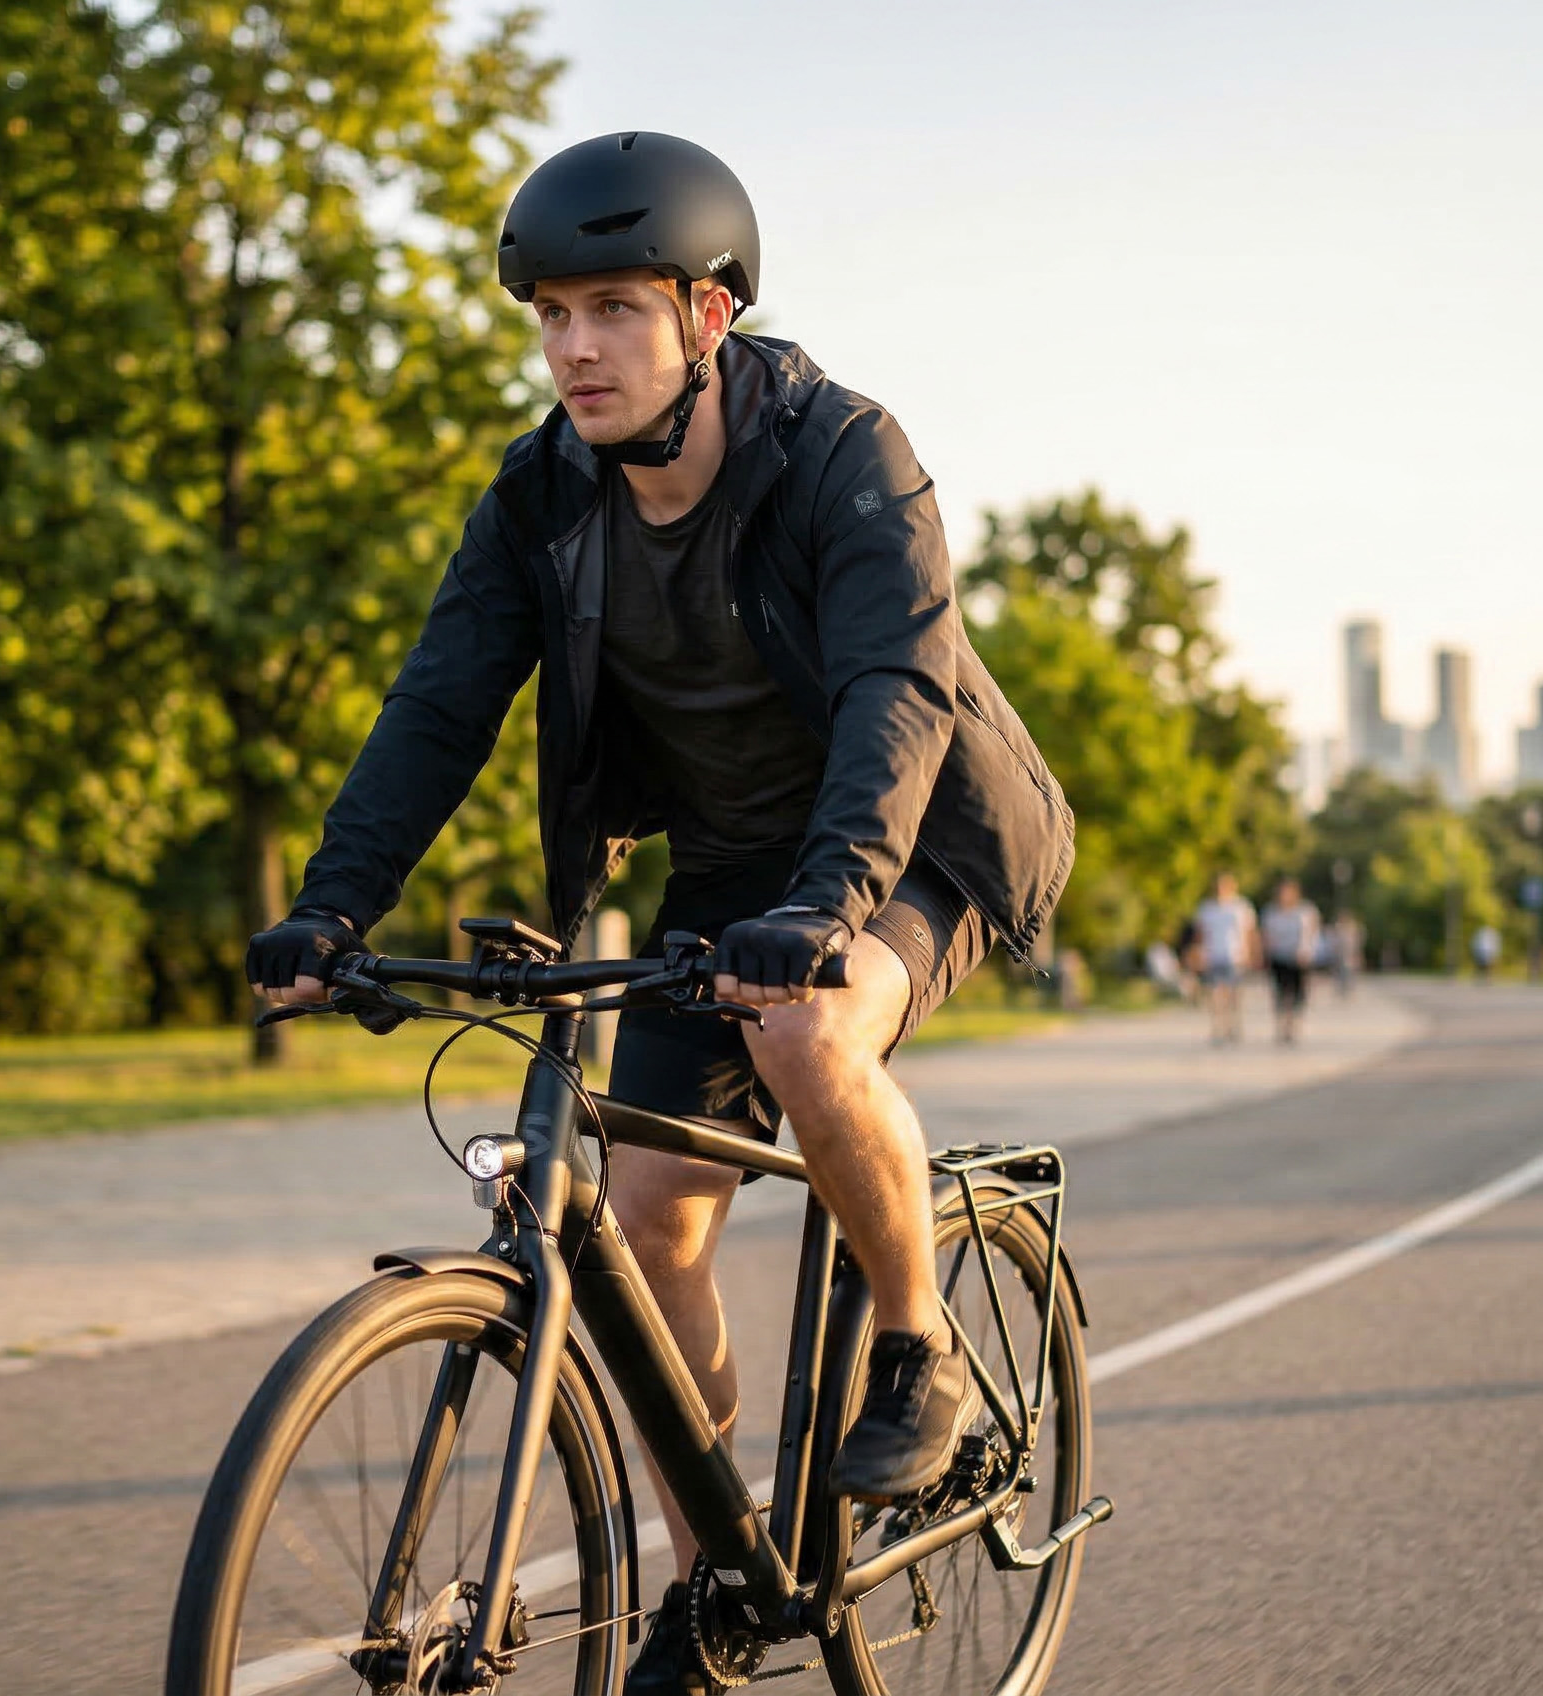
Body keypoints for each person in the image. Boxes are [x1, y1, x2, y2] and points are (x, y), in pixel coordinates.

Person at [243, 133, 1074, 1694]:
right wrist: (334, 901)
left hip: (919, 845)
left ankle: (920, 1340)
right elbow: (441, 702)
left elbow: (897, 694)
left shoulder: (845, 452)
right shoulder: (544, 491)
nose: (573, 349)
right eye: (551, 313)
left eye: (612, 308)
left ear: (708, 314)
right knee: (644, 1217)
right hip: (726, 873)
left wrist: (831, 906)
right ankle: (716, 1589)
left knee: (819, 1042)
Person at [1193, 872, 1257, 1045]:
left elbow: (1249, 932)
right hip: (1213, 954)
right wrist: (1198, 953)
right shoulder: (1206, 908)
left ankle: (1233, 1025)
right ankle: (1218, 1027)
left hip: (1235, 955)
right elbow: (1200, 934)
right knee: (1214, 994)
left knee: (1233, 994)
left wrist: (1251, 953)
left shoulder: (1241, 907)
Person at [1261, 878, 1320, 1043]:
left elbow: (1313, 932)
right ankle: (1282, 1026)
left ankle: (1294, 1024)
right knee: (1280, 992)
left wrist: (1308, 951)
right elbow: (1265, 934)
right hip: (1279, 956)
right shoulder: (1271, 912)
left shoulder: (1306, 911)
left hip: (1299, 957)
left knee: (1298, 993)